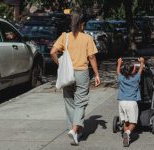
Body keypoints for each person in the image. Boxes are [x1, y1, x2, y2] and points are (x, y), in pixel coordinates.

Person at [50, 9, 101, 146]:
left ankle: (75, 132)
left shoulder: (64, 37)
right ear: (82, 24)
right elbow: (91, 57)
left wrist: (60, 63)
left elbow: (52, 52)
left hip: (67, 73)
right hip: (81, 73)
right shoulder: (87, 38)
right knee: (81, 102)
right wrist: (96, 74)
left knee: (69, 102)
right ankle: (74, 130)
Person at [116, 57, 144, 147]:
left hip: (122, 102)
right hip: (131, 102)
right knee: (133, 123)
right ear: (133, 71)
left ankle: (126, 139)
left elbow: (118, 71)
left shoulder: (121, 78)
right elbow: (140, 70)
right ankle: (127, 133)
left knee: (126, 121)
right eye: (134, 68)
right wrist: (142, 62)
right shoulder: (135, 78)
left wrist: (119, 63)